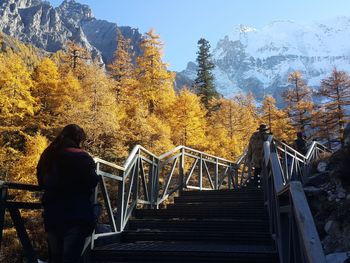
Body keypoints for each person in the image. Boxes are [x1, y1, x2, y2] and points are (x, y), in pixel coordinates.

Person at [37, 124, 99, 263]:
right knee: (71, 258)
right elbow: (92, 181)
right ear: (78, 139)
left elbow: (41, 180)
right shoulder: (83, 157)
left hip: (53, 213)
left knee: (55, 257)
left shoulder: (48, 154)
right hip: (77, 215)